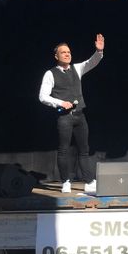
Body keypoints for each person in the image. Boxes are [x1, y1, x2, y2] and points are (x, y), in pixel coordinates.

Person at [39, 34, 105, 194]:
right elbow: (42, 96)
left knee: (84, 150)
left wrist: (99, 51)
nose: (67, 54)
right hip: (64, 118)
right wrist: (61, 102)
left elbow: (91, 62)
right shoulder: (50, 74)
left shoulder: (77, 68)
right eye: (63, 52)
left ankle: (89, 182)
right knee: (64, 150)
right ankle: (66, 181)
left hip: (80, 115)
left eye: (68, 52)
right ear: (56, 56)